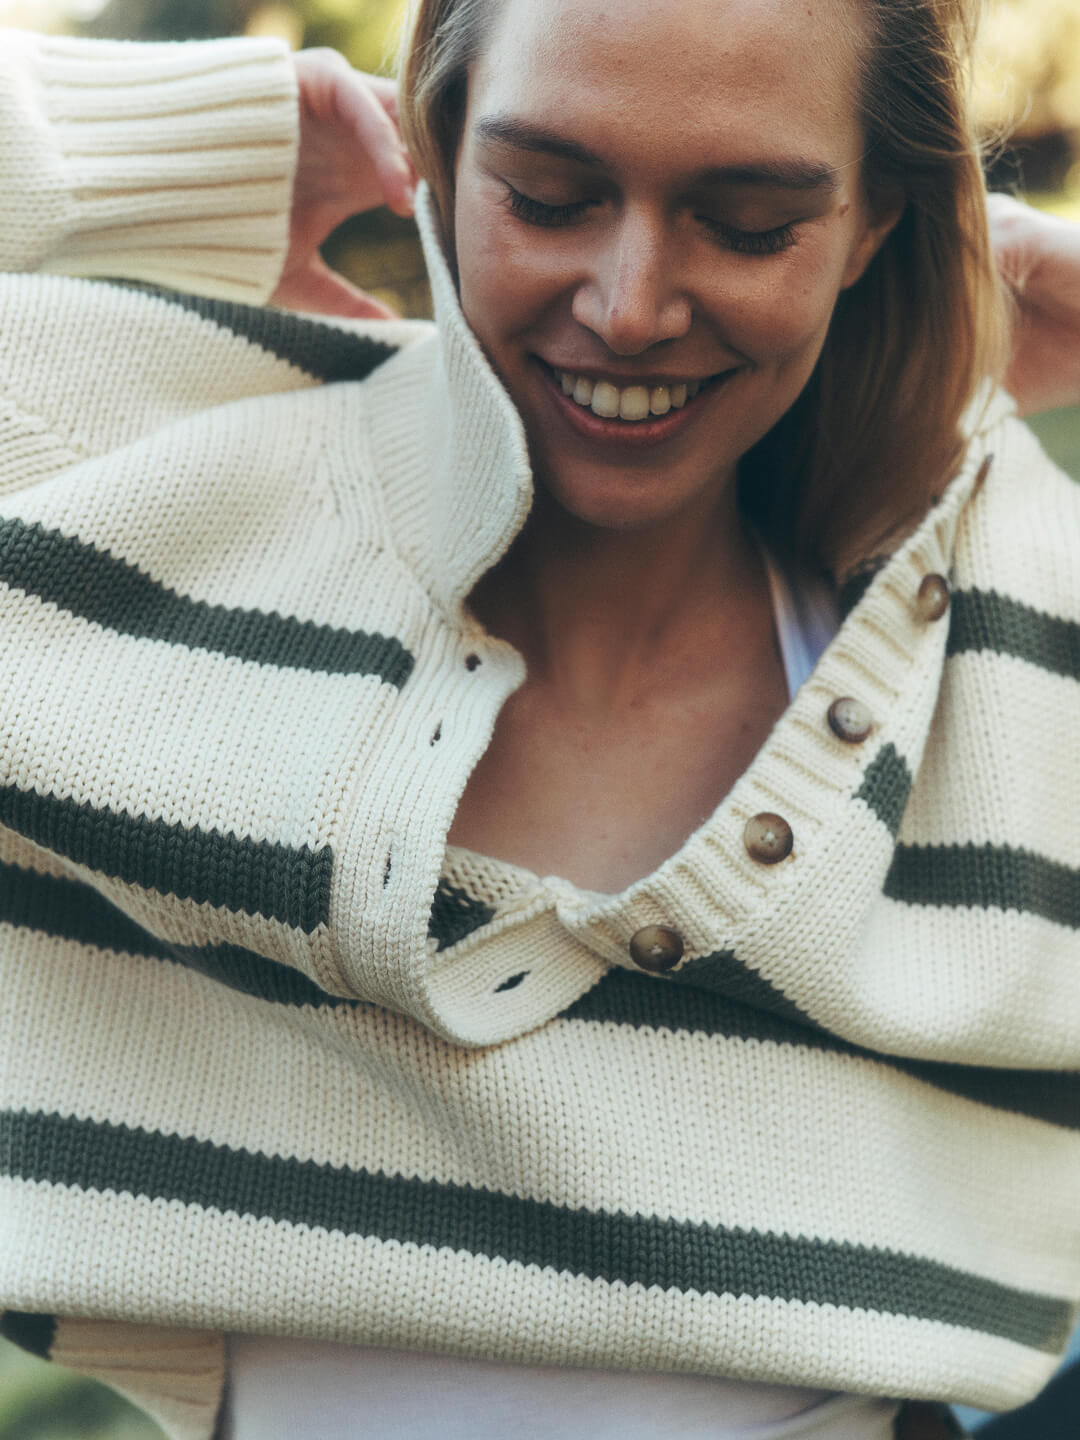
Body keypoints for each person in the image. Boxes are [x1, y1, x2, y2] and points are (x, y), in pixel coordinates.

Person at [0, 4, 1078, 1439]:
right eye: (550, 196)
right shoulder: (139, 490)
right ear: (435, 154)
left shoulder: (1003, 640)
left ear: (874, 219)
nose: (631, 306)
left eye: (752, 224)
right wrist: (197, 139)